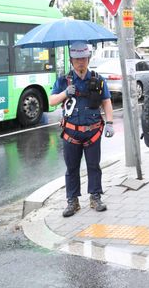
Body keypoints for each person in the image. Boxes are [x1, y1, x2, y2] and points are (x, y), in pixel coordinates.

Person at [50, 41, 114, 217]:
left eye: (83, 58)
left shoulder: (98, 79)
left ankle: (95, 197)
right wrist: (65, 93)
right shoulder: (63, 80)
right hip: (71, 133)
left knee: (94, 166)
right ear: (71, 60)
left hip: (93, 132)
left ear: (88, 59)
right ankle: (73, 201)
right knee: (72, 168)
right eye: (77, 59)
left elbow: (106, 101)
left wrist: (109, 123)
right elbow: (51, 101)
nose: (80, 62)